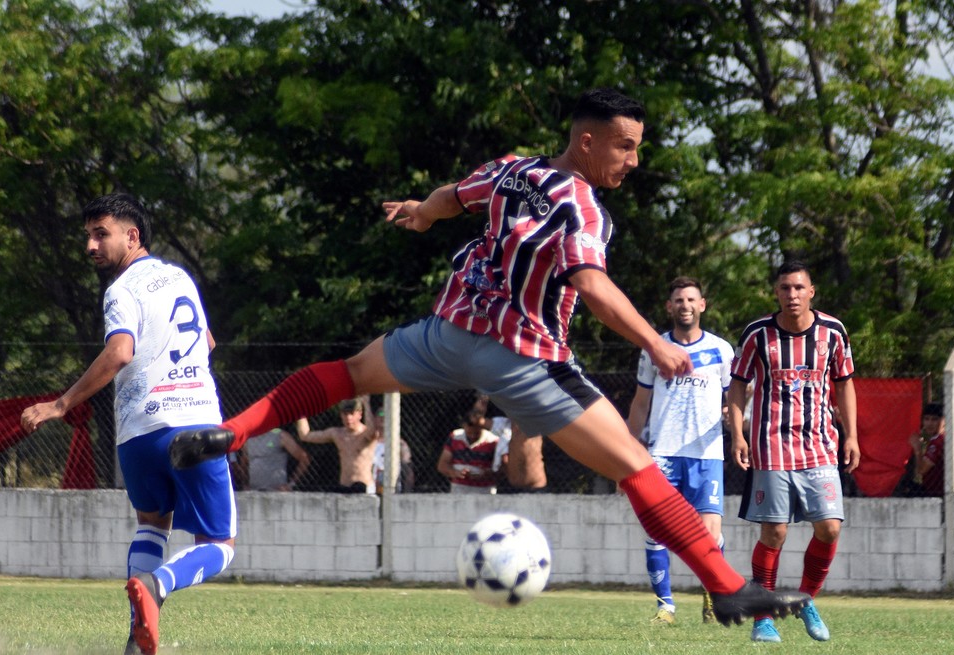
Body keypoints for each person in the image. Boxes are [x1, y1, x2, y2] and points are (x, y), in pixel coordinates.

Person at [168, 87, 808, 626]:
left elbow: (454, 195)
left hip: (447, 335)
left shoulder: (512, 170)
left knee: (349, 373)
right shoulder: (582, 204)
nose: (633, 160)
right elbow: (591, 284)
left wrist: (420, 213)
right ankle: (726, 586)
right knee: (638, 467)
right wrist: (655, 341)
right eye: (626, 145)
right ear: (587, 141)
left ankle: (231, 432)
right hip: (522, 358)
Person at [19, 193, 235, 655]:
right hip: (193, 423)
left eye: (101, 234)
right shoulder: (180, 277)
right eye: (89, 236)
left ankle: (135, 641)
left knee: (152, 525)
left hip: (138, 434)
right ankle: (157, 587)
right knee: (220, 544)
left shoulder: (120, 290)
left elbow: (121, 351)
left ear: (132, 236)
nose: (91, 246)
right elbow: (207, 343)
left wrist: (61, 403)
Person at [727, 260, 860, 643]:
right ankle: (762, 617)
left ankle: (805, 599)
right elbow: (737, 385)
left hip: (820, 444)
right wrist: (738, 434)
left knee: (830, 527)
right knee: (774, 532)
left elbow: (845, 383)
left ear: (811, 291)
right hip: (771, 446)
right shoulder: (758, 334)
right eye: (785, 288)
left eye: (799, 288)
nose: (792, 295)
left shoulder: (833, 332)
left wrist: (851, 435)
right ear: (777, 293)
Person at [625, 276, 733, 625]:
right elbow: (640, 405)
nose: (685, 305)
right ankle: (665, 607)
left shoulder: (722, 350)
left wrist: (738, 426)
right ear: (669, 307)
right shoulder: (654, 349)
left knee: (709, 533)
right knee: (656, 530)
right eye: (678, 300)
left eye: (691, 299)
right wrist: (626, 453)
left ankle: (712, 599)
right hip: (663, 453)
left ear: (702, 305)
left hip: (708, 453)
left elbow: (736, 400)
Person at [296, 397, 377, 494]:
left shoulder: (365, 434)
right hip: (344, 486)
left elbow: (372, 432)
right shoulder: (337, 434)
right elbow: (305, 435)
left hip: (364, 486)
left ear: (359, 415)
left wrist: (366, 404)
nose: (348, 418)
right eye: (345, 414)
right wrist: (300, 410)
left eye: (351, 414)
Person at [438, 406, 501, 494]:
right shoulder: (455, 436)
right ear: (463, 426)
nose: (472, 436)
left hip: (485, 491)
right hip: (458, 489)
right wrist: (455, 473)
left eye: (476, 433)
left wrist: (486, 474)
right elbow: (442, 465)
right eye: (469, 433)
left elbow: (500, 471)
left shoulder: (493, 441)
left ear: (482, 427)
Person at [237, 427, 310, 491]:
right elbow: (244, 463)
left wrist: (291, 484)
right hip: (254, 492)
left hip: (277, 493)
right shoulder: (248, 438)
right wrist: (245, 484)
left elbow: (304, 458)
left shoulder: (280, 435)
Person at [900, 402, 945, 497]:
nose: (929, 424)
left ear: (944, 421)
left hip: (935, 492)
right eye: (926, 419)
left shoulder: (937, 442)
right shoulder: (939, 439)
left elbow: (921, 470)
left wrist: (918, 450)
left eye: (934, 420)